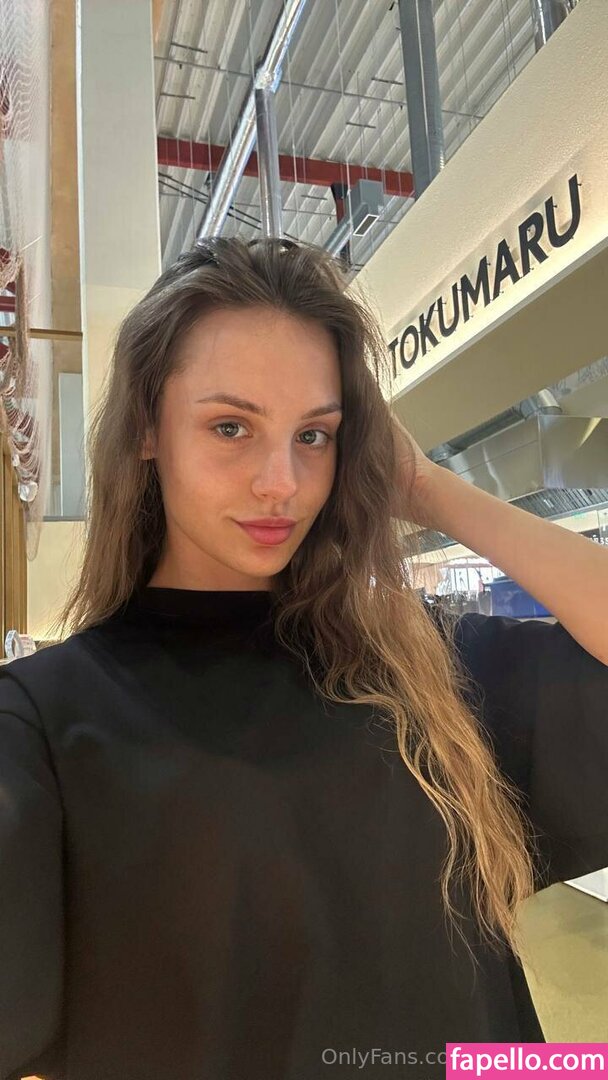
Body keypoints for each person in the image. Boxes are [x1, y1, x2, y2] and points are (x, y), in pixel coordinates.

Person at [1, 236, 607, 1080]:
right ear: (146, 429)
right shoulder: (42, 725)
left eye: (315, 435)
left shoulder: (431, 672)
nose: (281, 482)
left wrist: (428, 488)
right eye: (230, 427)